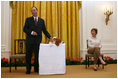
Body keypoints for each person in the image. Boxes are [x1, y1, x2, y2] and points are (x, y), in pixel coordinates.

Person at [23, 7, 53, 74]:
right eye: (32, 11)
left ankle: (36, 69)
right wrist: (31, 32)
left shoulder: (41, 21)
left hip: (37, 41)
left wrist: (50, 36)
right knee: (28, 56)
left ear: (37, 11)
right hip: (29, 41)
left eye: (34, 10)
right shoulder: (28, 20)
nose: (33, 12)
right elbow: (24, 29)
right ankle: (28, 70)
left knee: (37, 56)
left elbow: (44, 30)